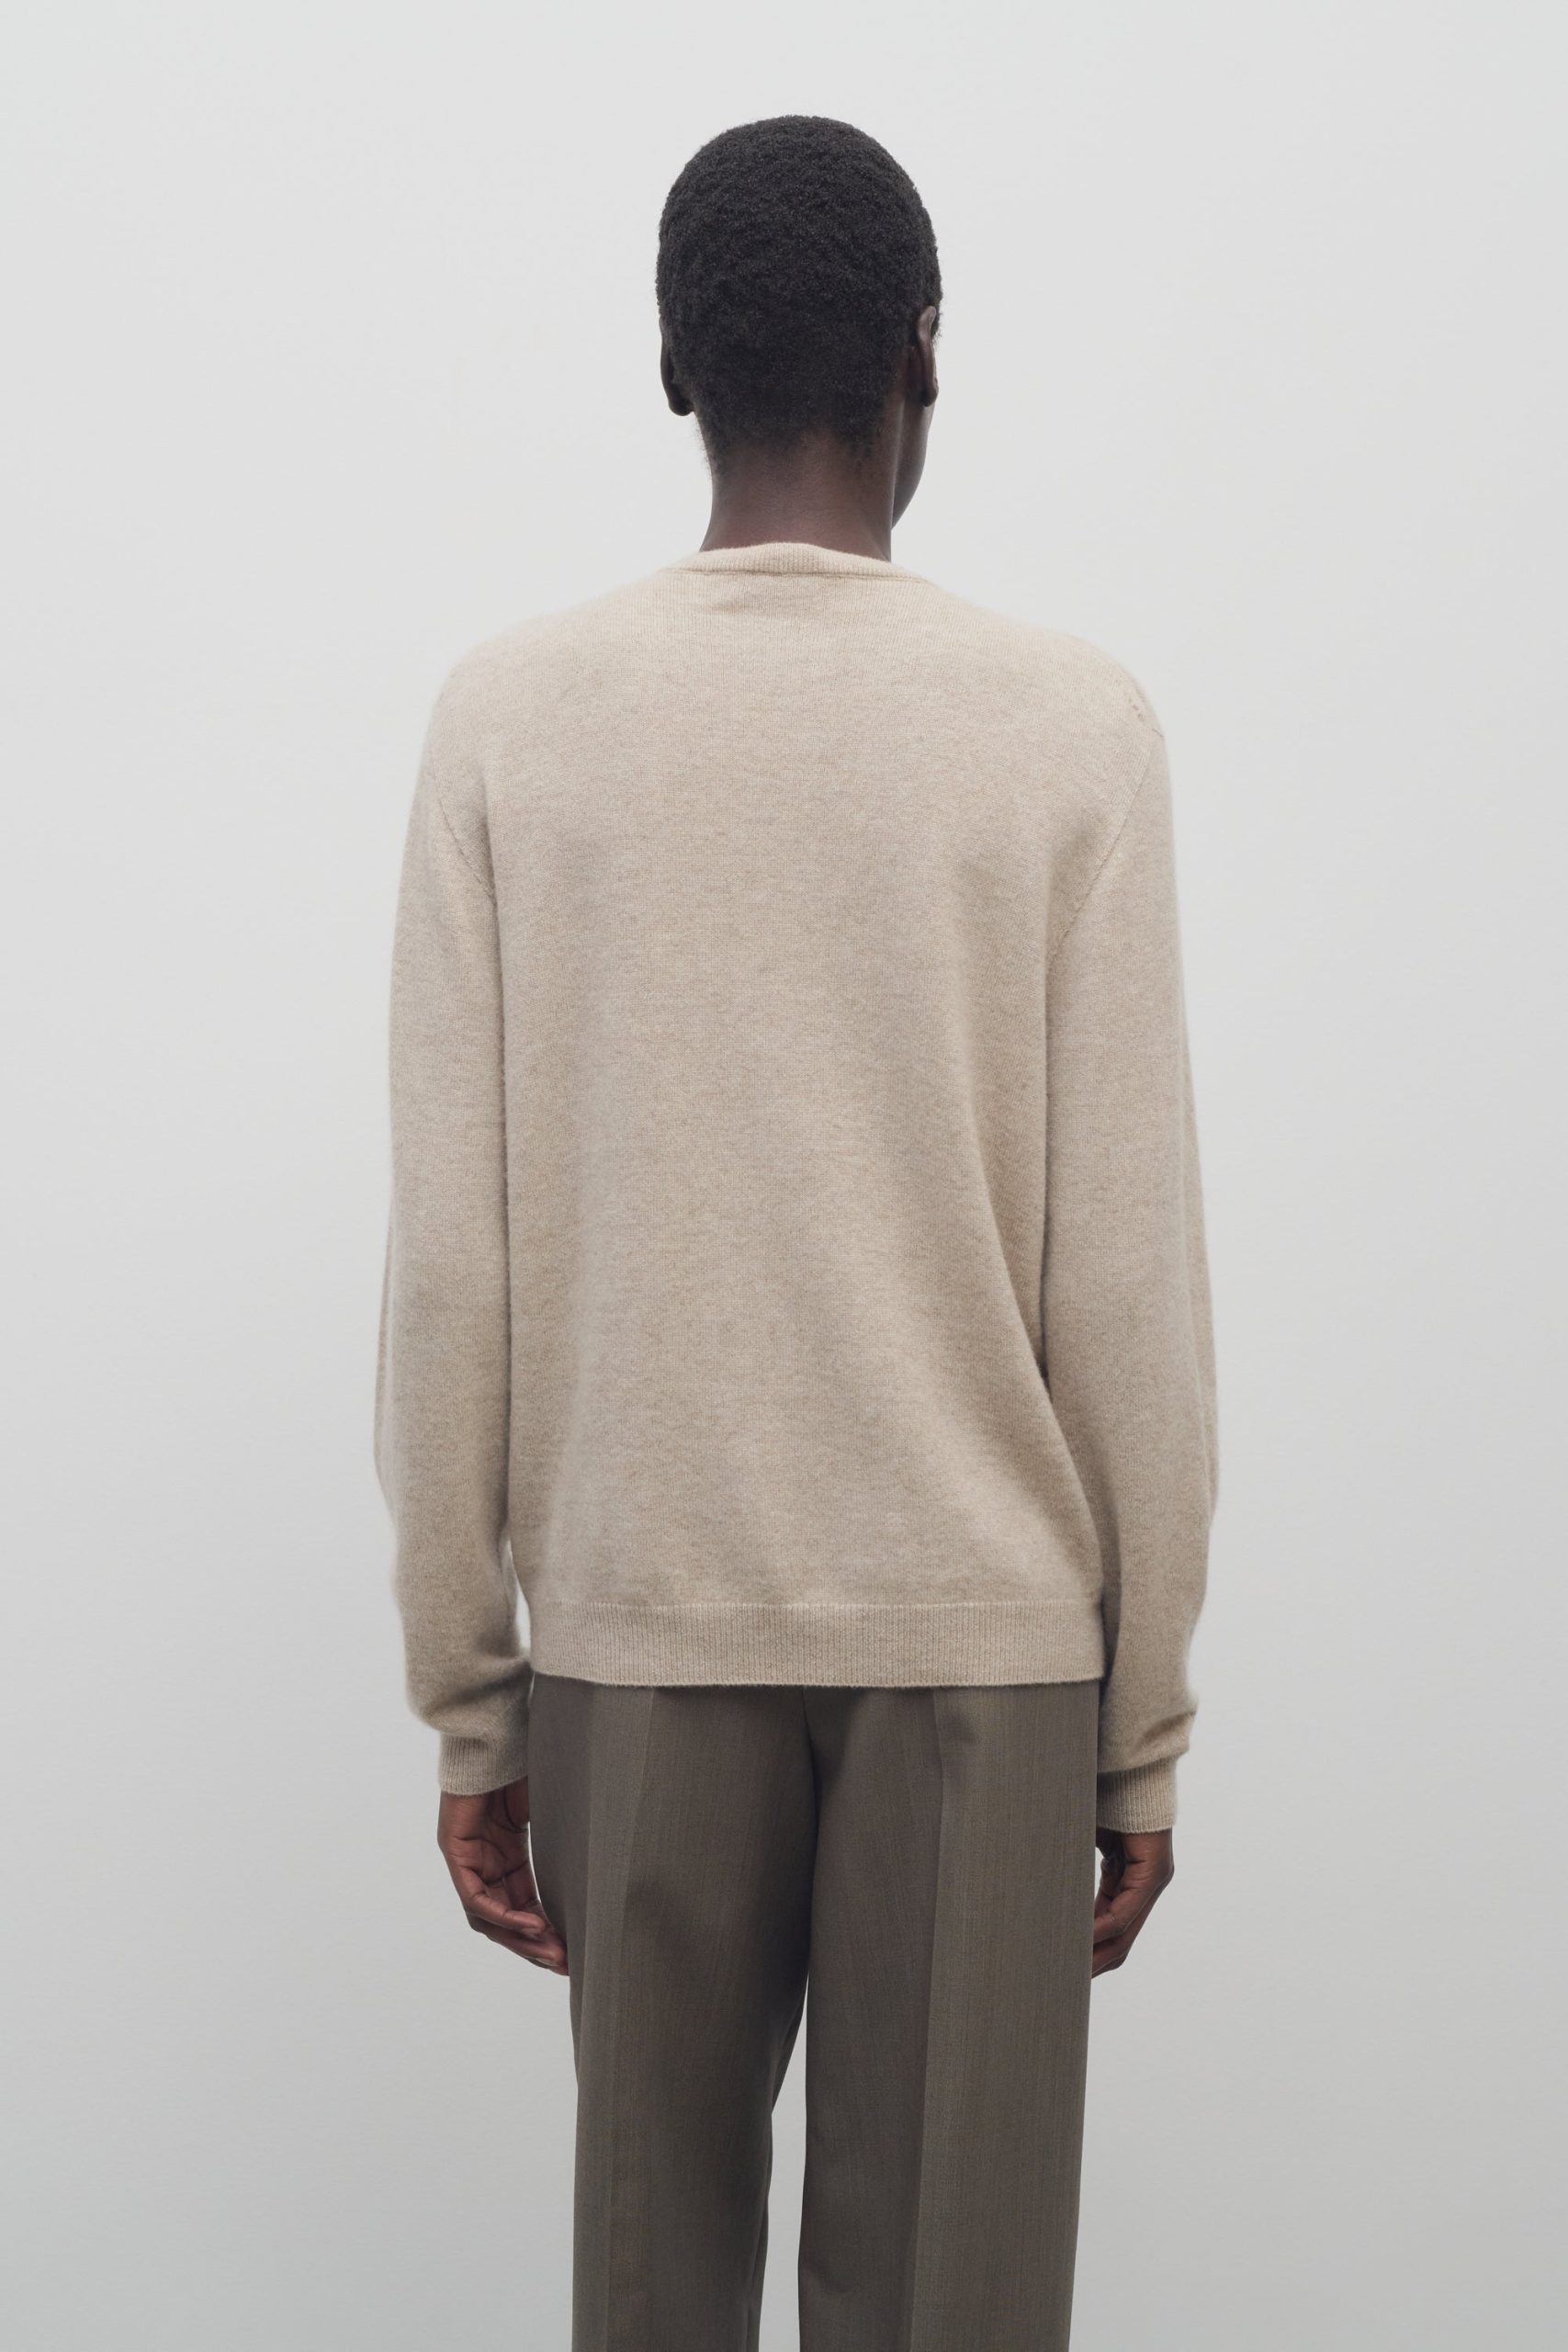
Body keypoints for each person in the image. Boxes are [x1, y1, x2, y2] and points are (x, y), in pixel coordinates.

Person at [376, 112, 1218, 2352]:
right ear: (923, 351)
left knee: (646, 2294)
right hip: (983, 1660)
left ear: (674, 367)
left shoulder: (509, 724)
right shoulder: (1070, 731)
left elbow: (451, 1268)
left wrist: (472, 1699)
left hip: (634, 1628)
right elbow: (1127, 1286)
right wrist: (1137, 1725)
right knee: (951, 2309)